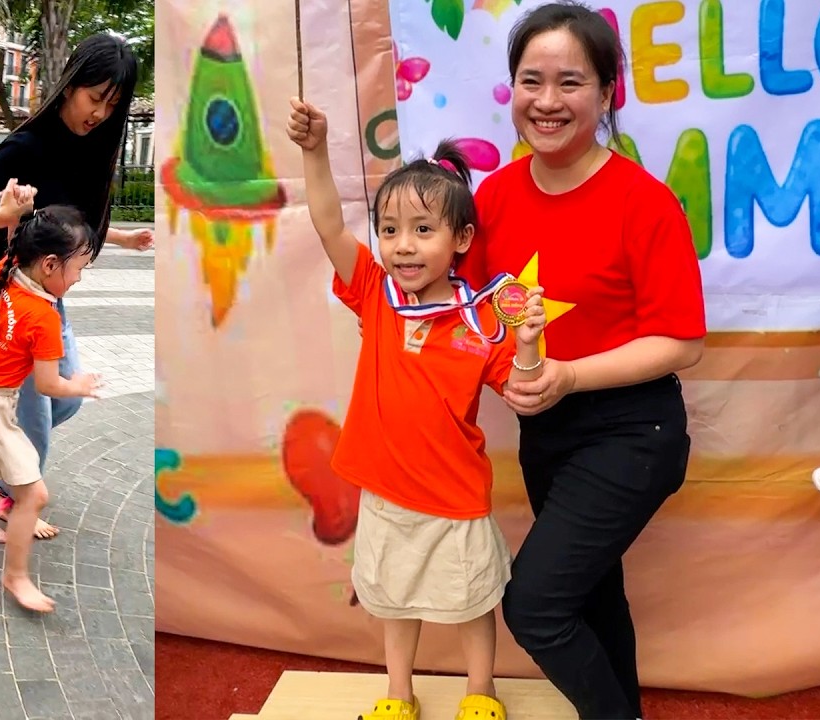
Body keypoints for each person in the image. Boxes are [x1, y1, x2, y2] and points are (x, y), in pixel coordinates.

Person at [459, 4, 705, 719]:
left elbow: (682, 341)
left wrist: (568, 375)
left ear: (606, 92)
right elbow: (466, 306)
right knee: (592, 596)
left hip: (634, 433)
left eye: (570, 82)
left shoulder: (645, 202)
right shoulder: (495, 196)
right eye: (530, 80)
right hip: (550, 438)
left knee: (535, 605)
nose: (546, 100)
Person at [290, 98, 549, 720]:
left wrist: (531, 342)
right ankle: (397, 693)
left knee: (470, 604)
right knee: (393, 600)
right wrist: (315, 151)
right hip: (385, 495)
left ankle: (480, 692)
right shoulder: (374, 294)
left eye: (423, 230)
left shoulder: (481, 317)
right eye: (389, 230)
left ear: (462, 239)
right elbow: (328, 225)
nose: (403, 247)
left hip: (456, 497)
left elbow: (525, 393)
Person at [0, 32, 153, 539]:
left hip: (48, 299)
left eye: (113, 104)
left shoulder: (96, 153)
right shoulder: (24, 146)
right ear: (71, 85)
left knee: (62, 399)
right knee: (38, 416)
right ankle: (15, 497)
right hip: (10, 294)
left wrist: (123, 238)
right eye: (95, 98)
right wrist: (9, 211)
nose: (100, 113)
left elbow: (71, 225)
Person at [0, 206, 102, 611]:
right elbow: (48, 384)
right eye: (79, 269)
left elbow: (15, 238)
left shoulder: (7, 270)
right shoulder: (44, 316)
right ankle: (15, 577)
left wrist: (12, 214)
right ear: (50, 264)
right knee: (33, 495)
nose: (79, 278)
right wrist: (81, 386)